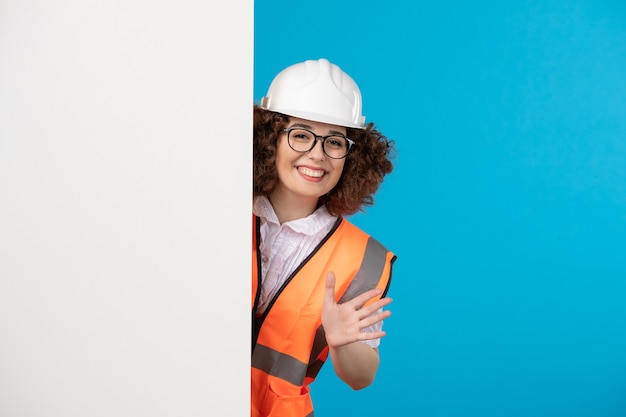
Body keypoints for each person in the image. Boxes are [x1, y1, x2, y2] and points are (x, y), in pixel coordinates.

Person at [251, 58, 397, 417]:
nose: (317, 154)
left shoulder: (364, 258)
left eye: (334, 141)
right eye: (301, 135)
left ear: (353, 156)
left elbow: (361, 376)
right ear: (270, 138)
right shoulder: (211, 210)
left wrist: (344, 341)